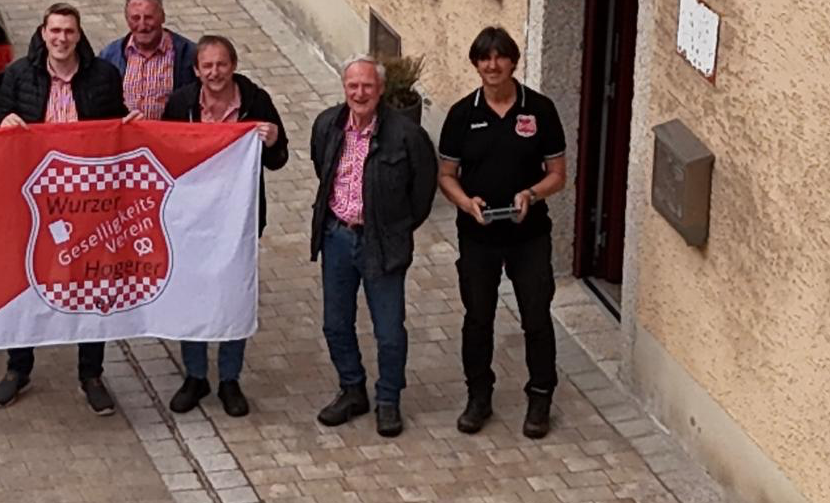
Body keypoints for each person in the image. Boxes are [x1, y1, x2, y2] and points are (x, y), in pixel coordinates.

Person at [0, 2, 130, 415]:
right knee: (26, 280)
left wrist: (131, 125)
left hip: (89, 203)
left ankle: (91, 374)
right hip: (34, 202)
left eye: (69, 31)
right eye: (55, 31)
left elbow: (115, 127)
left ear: (78, 35)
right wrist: (5, 123)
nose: (62, 38)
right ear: (43, 33)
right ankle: (18, 368)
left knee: (91, 284)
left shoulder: (103, 76)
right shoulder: (19, 74)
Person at [437, 26, 568, 439]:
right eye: (484, 58)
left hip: (529, 236)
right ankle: (479, 397)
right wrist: (465, 202)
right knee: (478, 318)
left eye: (499, 57)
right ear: (476, 64)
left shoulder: (541, 110)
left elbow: (559, 175)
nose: (492, 66)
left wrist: (531, 193)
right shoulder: (462, 114)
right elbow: (446, 175)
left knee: (536, 316)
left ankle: (540, 396)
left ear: (513, 61)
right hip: (478, 237)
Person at [160, 34, 288, 417]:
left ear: (233, 65)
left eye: (221, 64)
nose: (215, 73)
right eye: (207, 66)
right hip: (191, 220)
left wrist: (273, 140)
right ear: (196, 70)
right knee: (192, 297)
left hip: (239, 220)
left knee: (234, 294)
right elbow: (165, 156)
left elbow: (278, 160)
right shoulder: (181, 102)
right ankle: (195, 376)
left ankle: (230, 379)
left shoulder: (255, 101)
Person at [309, 56, 437, 438]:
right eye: (353, 86)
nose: (359, 93)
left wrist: (394, 227)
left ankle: (388, 401)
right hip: (336, 236)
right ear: (344, 88)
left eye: (367, 86)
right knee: (335, 323)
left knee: (389, 330)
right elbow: (322, 167)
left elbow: (422, 193)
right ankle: (352, 390)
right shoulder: (328, 124)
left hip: (383, 242)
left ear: (380, 90)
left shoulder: (406, 136)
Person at [99, 0, 198, 120]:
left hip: (169, 136)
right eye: (135, 18)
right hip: (126, 136)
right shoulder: (109, 56)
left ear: (162, 17)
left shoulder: (188, 54)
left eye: (149, 17)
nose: (142, 25)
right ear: (127, 20)